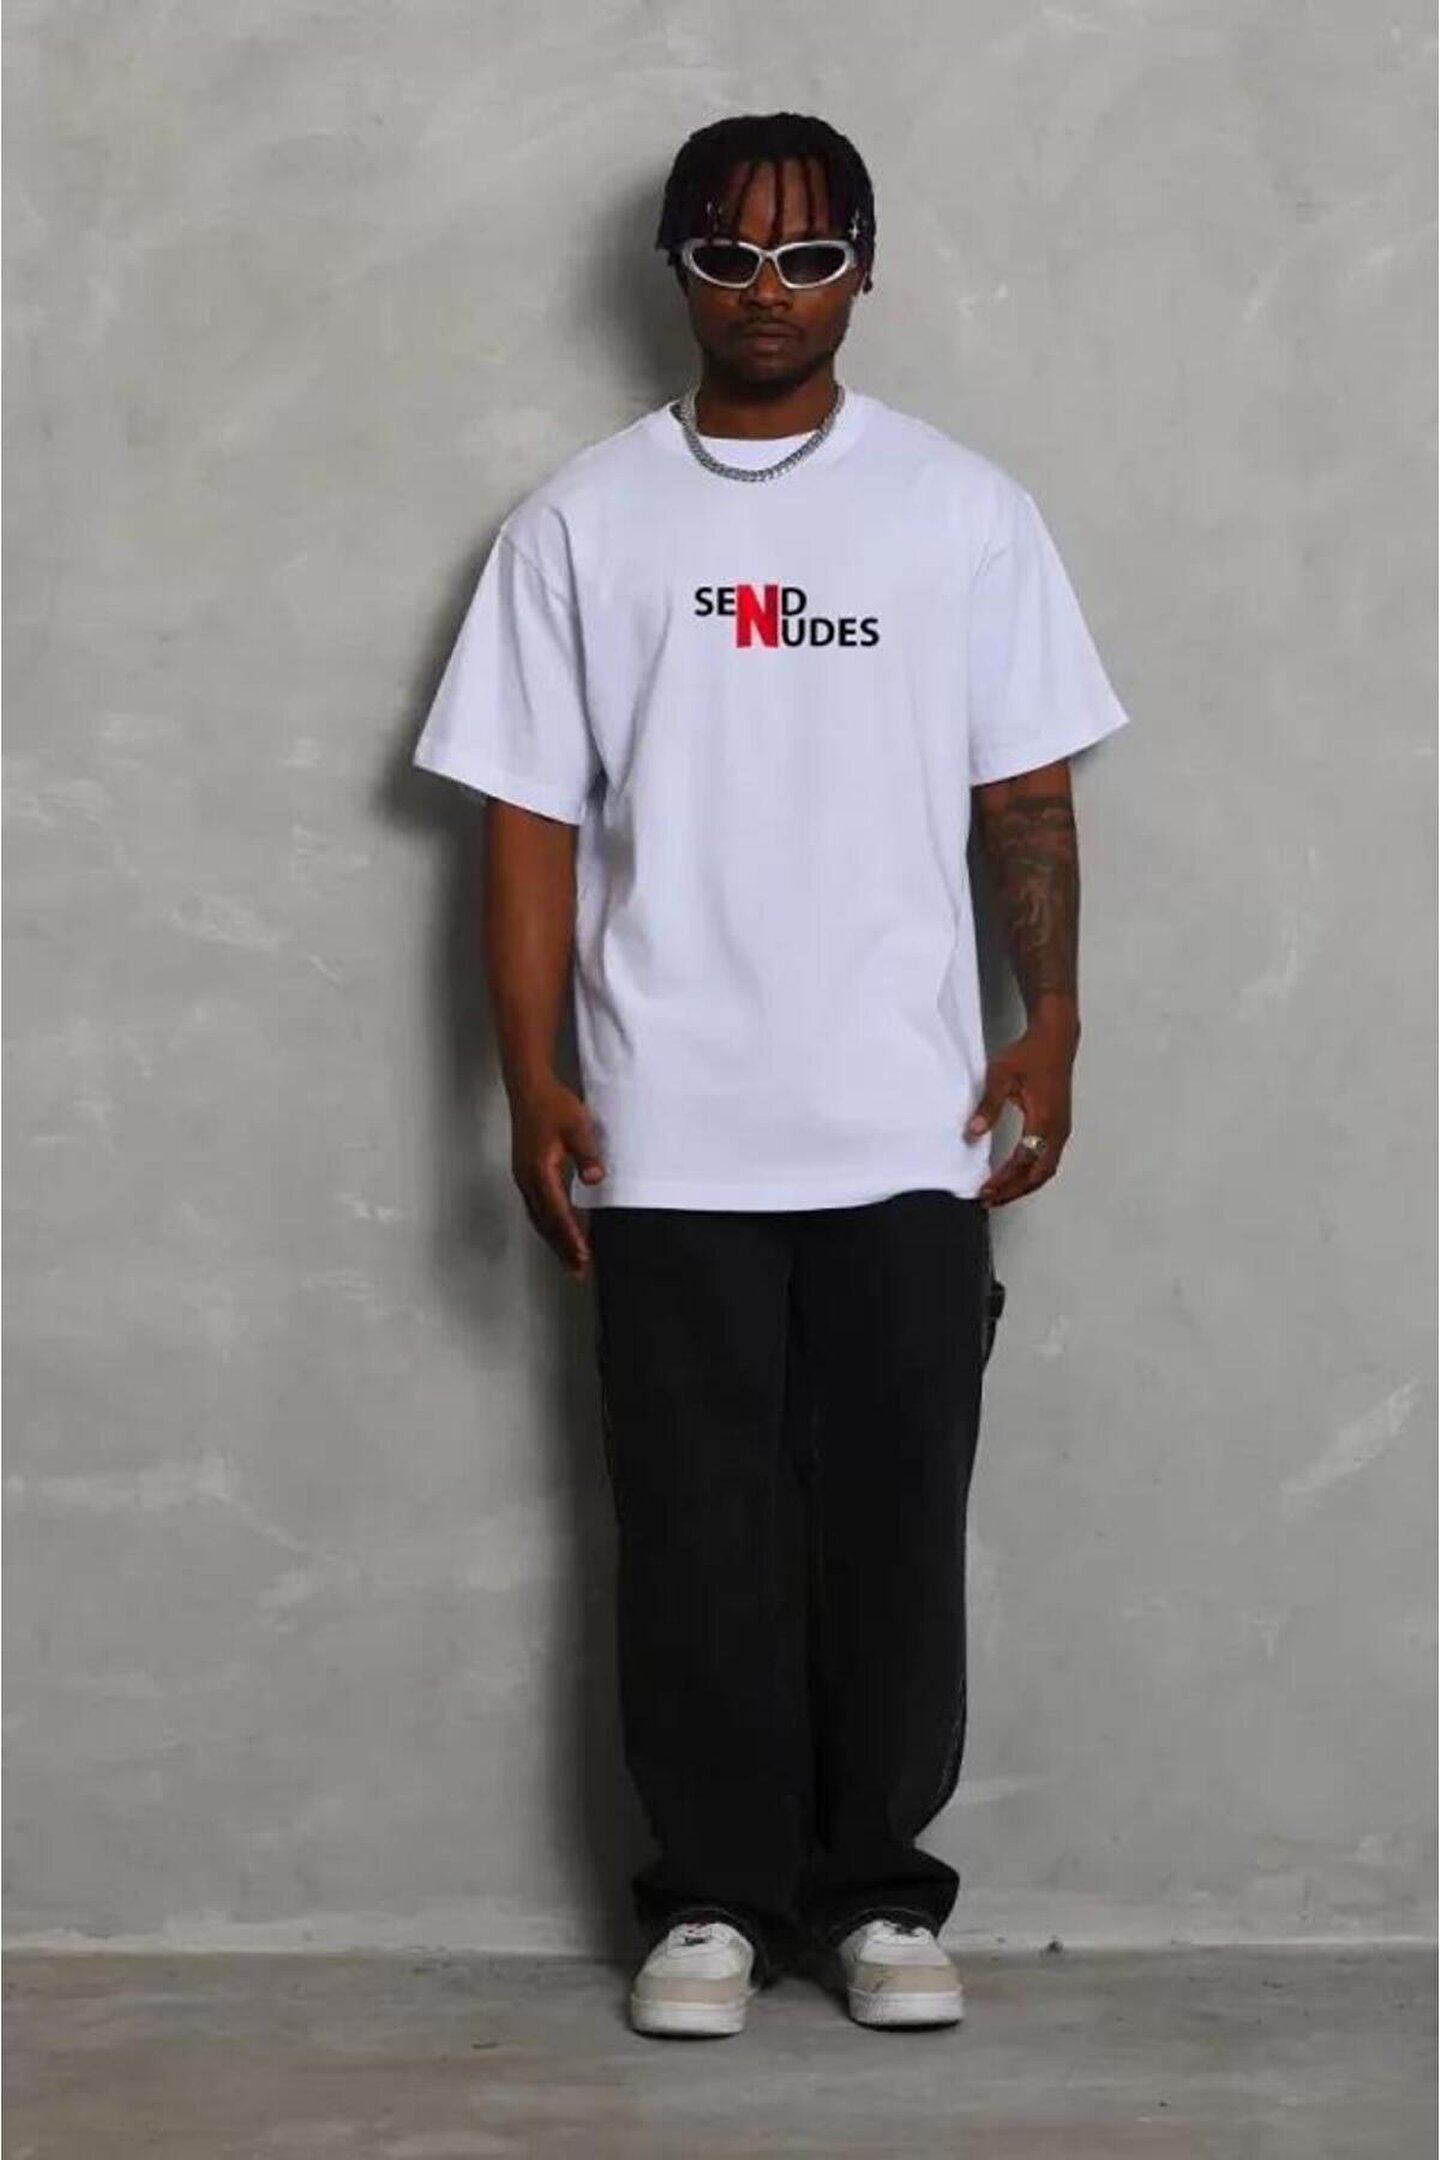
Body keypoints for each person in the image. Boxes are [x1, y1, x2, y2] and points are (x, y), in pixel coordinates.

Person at [412, 111, 1132, 2039]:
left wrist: (1053, 1020)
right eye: (728, 255)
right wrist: (530, 1077)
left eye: (809, 257)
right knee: (695, 1531)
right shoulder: (581, 524)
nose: (768, 292)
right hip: (670, 1122)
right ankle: (714, 1904)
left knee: (894, 1520)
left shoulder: (961, 510)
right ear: (677, 267)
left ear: (866, 269)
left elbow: (1026, 791)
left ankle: (879, 1896)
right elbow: (526, 826)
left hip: (909, 1113)